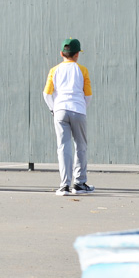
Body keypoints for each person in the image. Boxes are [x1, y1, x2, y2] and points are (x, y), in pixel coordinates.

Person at [43, 38, 94, 196]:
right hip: (78, 109)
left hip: (60, 110)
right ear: (77, 54)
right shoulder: (82, 70)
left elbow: (46, 94)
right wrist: (82, 108)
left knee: (63, 147)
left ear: (61, 53)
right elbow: (88, 95)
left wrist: (53, 109)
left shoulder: (54, 70)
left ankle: (64, 185)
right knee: (81, 146)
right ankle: (79, 184)